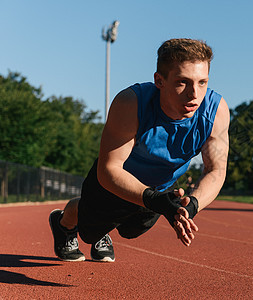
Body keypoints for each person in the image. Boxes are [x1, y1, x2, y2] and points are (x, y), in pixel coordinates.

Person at [49, 38, 230, 262]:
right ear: (159, 81)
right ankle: (63, 224)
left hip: (158, 188)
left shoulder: (216, 111)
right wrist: (152, 199)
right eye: (182, 82)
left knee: (131, 231)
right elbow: (109, 169)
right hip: (114, 180)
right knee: (90, 231)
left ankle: (107, 227)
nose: (194, 94)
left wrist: (192, 205)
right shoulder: (131, 103)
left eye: (202, 82)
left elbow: (216, 170)